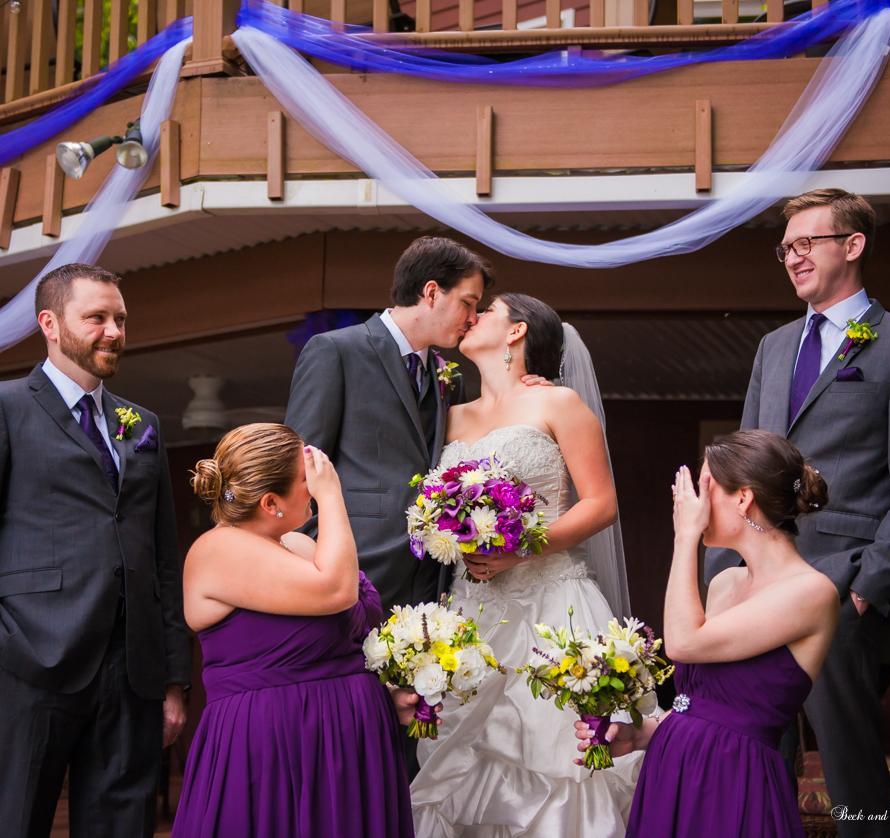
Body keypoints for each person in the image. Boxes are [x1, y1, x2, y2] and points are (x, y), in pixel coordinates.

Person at [704, 189, 890, 835]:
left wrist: (867, 589)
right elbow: (744, 467)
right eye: (786, 248)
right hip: (755, 585)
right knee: (753, 753)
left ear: (853, 244)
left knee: (849, 765)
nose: (793, 257)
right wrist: (725, 567)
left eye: (807, 242)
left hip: (840, 584)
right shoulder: (773, 347)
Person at [0, 263, 190, 837]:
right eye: (96, 318)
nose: (114, 331)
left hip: (133, 674)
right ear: (49, 324)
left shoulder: (141, 424)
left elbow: (162, 561)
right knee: (18, 824)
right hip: (32, 662)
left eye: (120, 319)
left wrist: (172, 677)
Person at [411, 293, 638, 837]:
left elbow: (601, 504)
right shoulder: (449, 414)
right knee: (467, 765)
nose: (472, 317)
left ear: (516, 331)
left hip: (550, 609)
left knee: (557, 761)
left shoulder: (558, 404)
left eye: (486, 310)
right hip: (471, 615)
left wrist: (520, 549)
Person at [578, 430, 839, 837]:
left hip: (735, 782)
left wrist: (685, 536)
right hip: (673, 770)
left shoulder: (812, 592)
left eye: (705, 488)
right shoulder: (724, 583)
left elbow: (683, 643)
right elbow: (703, 705)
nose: (692, 504)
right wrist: (639, 734)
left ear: (743, 498)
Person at [172, 424, 413, 837]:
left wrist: (388, 694)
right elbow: (337, 590)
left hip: (348, 743)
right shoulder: (216, 550)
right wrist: (333, 495)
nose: (315, 488)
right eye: (307, 481)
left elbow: (340, 639)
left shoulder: (298, 546)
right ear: (270, 502)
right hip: (277, 746)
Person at [284, 235, 492, 613]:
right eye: (468, 302)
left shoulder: (450, 378)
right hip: (354, 565)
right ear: (432, 292)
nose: (473, 318)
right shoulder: (336, 351)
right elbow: (300, 465)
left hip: (430, 574)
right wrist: (313, 558)